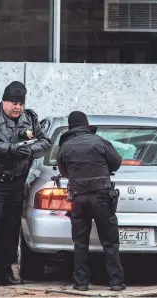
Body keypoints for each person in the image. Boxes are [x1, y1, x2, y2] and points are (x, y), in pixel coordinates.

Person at [0, 81, 51, 288]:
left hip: (16, 182)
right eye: (14, 103)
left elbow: (46, 142)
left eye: (21, 104)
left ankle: (4, 272)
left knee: (10, 229)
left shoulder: (30, 118)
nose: (18, 108)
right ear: (4, 101)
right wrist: (9, 149)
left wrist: (30, 150)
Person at [57, 111, 126, 292]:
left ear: (70, 127)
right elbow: (116, 163)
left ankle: (81, 283)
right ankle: (116, 282)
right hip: (102, 196)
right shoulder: (100, 142)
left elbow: (63, 171)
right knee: (110, 241)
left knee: (80, 242)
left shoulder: (65, 146)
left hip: (78, 198)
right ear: (86, 125)